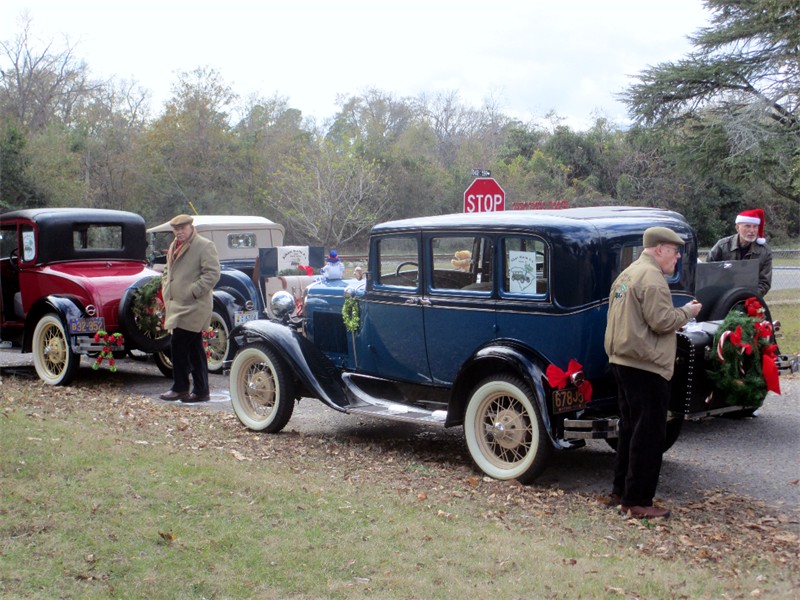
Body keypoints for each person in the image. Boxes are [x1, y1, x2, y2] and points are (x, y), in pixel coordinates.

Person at [604, 226, 702, 519]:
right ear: (659, 249)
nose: (676, 258)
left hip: (622, 359)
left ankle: (620, 492)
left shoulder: (628, 273)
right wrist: (688, 312)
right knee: (649, 435)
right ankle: (638, 502)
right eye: (674, 252)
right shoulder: (652, 278)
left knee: (630, 429)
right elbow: (661, 321)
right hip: (646, 364)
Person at [159, 214, 221, 403]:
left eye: (182, 228)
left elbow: (213, 273)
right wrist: (165, 286)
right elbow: (169, 271)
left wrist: (193, 291)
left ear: (191, 227)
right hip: (177, 304)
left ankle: (180, 388)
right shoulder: (173, 246)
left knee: (178, 344)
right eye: (176, 229)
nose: (179, 232)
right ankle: (201, 391)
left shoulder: (204, 245)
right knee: (194, 349)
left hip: (194, 305)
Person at [707, 208, 772, 296]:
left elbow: (764, 283)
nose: (752, 231)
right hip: (721, 296)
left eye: (755, 226)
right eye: (748, 226)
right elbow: (708, 272)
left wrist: (748, 297)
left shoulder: (764, 251)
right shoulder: (722, 246)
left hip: (750, 298)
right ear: (737, 227)